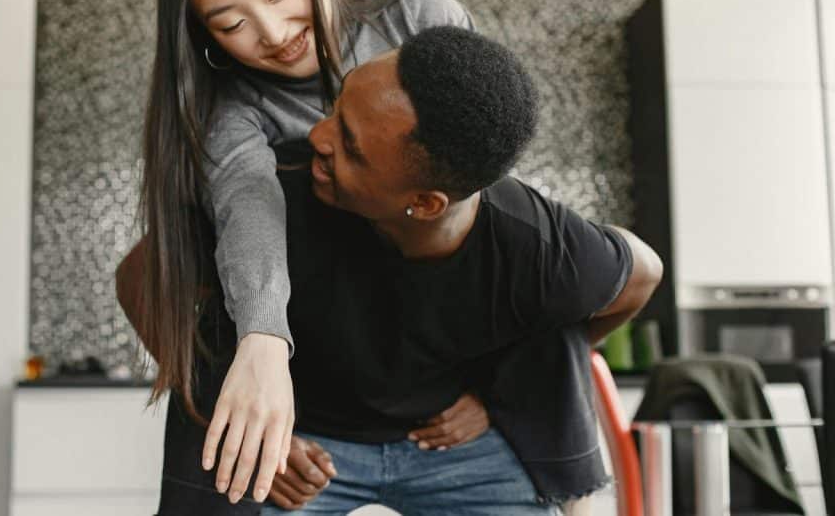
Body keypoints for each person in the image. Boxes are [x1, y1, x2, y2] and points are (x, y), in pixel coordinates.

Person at [119, 26, 663, 514]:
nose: (318, 137)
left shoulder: (540, 244)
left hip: (458, 446)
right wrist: (254, 418)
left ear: (424, 203)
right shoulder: (278, 191)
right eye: (337, 109)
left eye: (350, 147)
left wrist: (495, 398)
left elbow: (642, 275)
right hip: (307, 447)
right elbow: (140, 279)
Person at [132, 0, 477, 505]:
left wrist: (498, 386)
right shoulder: (224, 102)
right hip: (308, 363)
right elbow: (248, 211)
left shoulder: (416, 15)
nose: (272, 32)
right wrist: (259, 355)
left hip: (432, 352)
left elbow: (494, 193)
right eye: (232, 24)